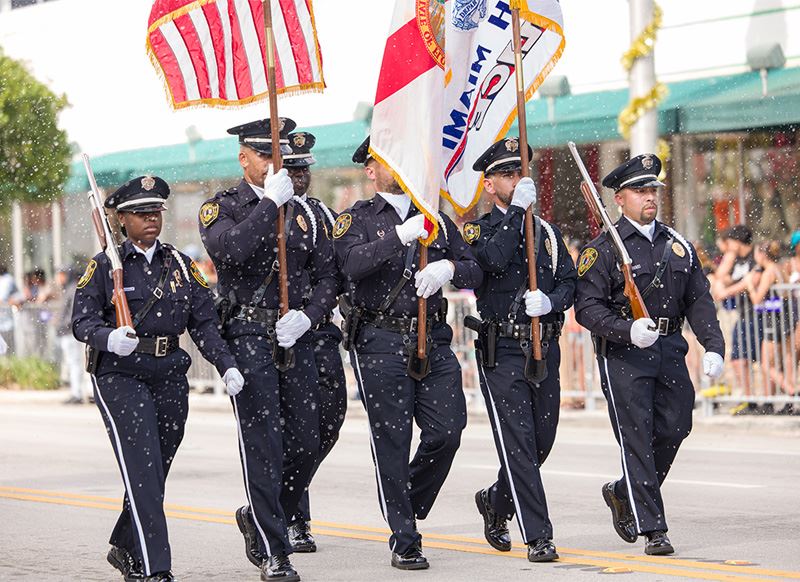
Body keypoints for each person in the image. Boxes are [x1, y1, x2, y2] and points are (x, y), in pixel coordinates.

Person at [72, 176, 244, 582]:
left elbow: (203, 323)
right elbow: (80, 321)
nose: (151, 219)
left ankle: (125, 543)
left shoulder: (181, 265)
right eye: (140, 213)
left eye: (155, 211)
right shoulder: (103, 266)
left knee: (154, 470)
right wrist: (109, 337)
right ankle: (155, 568)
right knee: (144, 469)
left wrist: (226, 364)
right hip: (119, 375)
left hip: (168, 374)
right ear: (120, 219)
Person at [333, 136, 483, 571]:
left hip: (432, 337)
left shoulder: (433, 216)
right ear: (371, 170)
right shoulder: (356, 219)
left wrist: (448, 267)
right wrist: (399, 237)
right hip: (379, 339)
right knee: (393, 440)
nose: (397, 168)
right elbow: (351, 266)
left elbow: (473, 268)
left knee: (447, 430)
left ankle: (405, 500)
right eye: (387, 161)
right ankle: (404, 536)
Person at [198, 118, 337, 582]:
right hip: (248, 335)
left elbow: (326, 278)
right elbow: (231, 252)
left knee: (307, 438)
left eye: (277, 158)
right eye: (264, 156)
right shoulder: (223, 208)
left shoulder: (299, 213)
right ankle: (275, 549)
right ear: (244, 158)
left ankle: (262, 512)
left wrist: (310, 316)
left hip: (292, 336)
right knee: (265, 444)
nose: (274, 166)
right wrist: (269, 206)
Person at [575, 154, 724, 556]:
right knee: (636, 436)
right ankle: (652, 527)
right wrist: (626, 329)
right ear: (619, 199)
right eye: (640, 191)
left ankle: (626, 490)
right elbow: (587, 309)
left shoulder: (678, 246)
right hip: (624, 355)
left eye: (653, 190)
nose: (650, 197)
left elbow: (699, 300)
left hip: (670, 347)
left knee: (676, 426)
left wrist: (713, 345)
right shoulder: (604, 248)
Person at [462, 138, 577, 562]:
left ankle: (496, 499)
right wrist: (515, 216)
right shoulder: (480, 228)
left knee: (541, 442)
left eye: (520, 173)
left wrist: (551, 301)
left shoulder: (546, 232)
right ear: (489, 185)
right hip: (503, 348)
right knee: (520, 445)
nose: (517, 180)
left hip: (543, 346)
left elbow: (569, 281)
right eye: (508, 175)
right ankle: (538, 534)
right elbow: (489, 262)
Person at [281, 130, 347, 553]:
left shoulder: (323, 214)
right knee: (296, 430)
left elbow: (340, 270)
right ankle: (292, 518)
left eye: (304, 168)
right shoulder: (272, 211)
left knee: (329, 423)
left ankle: (282, 499)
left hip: (320, 330)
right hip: (285, 334)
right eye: (292, 168)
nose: (300, 176)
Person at [54, 266, 91, 404]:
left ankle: (78, 393)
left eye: (61, 274)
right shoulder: (69, 289)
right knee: (74, 363)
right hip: (68, 331)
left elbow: (72, 313)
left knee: (76, 363)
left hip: (70, 332)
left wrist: (63, 324)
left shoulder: (72, 289)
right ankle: (79, 392)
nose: (58, 278)